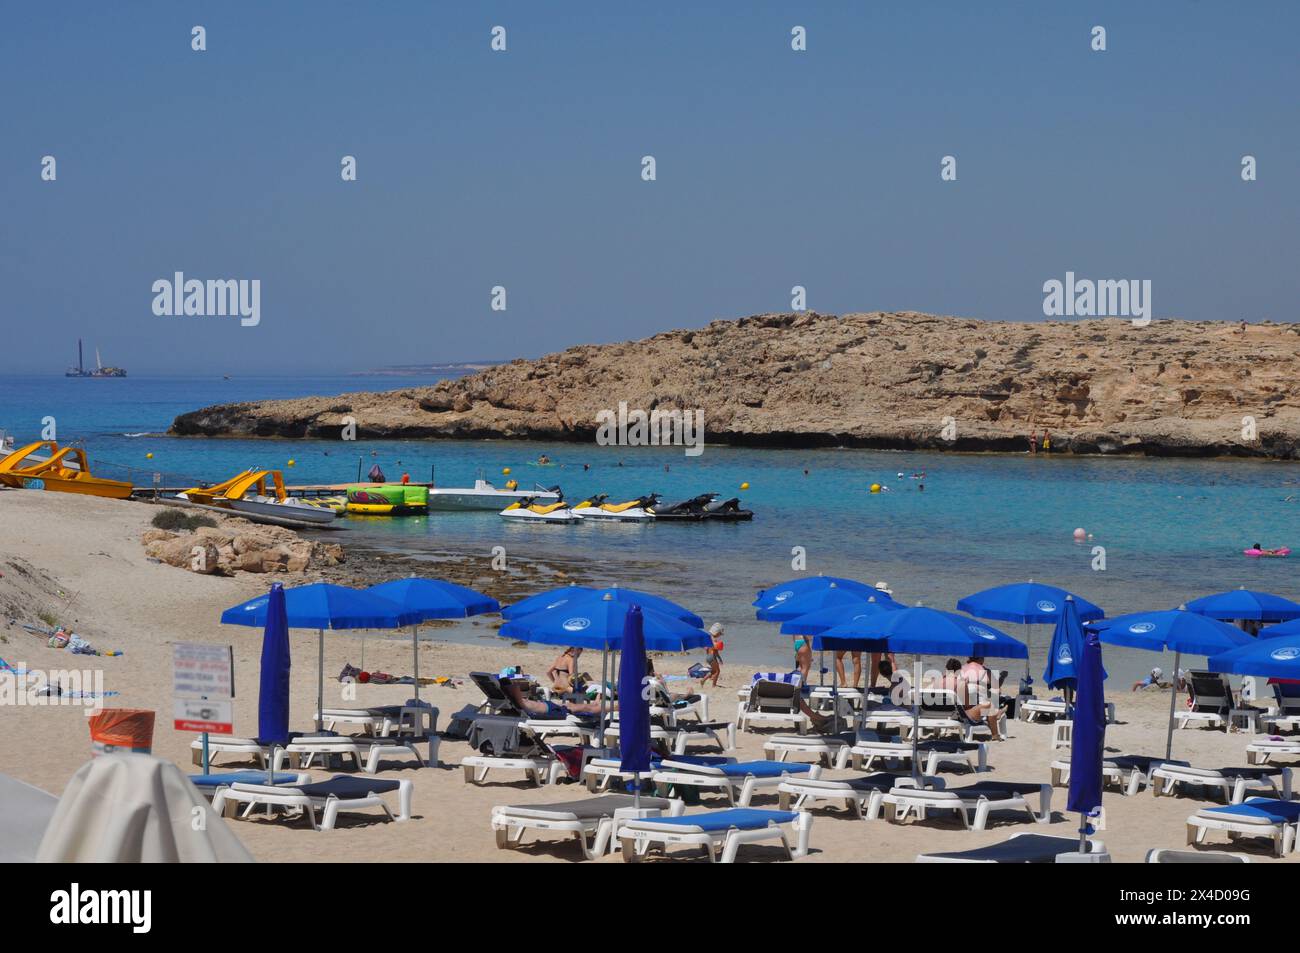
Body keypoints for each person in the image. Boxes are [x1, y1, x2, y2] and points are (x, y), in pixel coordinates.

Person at [501, 675, 605, 717]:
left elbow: (516, 690)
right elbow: (516, 688)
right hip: (551, 711)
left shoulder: (515, 701)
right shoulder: (520, 702)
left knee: (572, 705)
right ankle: (609, 707)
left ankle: (596, 704)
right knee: (581, 708)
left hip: (550, 706)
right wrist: (513, 686)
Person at [703, 623, 724, 687]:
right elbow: (716, 652)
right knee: (717, 671)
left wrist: (707, 657)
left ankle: (703, 680)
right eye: (719, 634)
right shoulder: (715, 641)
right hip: (712, 657)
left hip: (708, 657)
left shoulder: (709, 639)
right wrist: (720, 659)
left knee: (713, 671)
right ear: (717, 633)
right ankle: (714, 685)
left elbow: (706, 649)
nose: (719, 635)